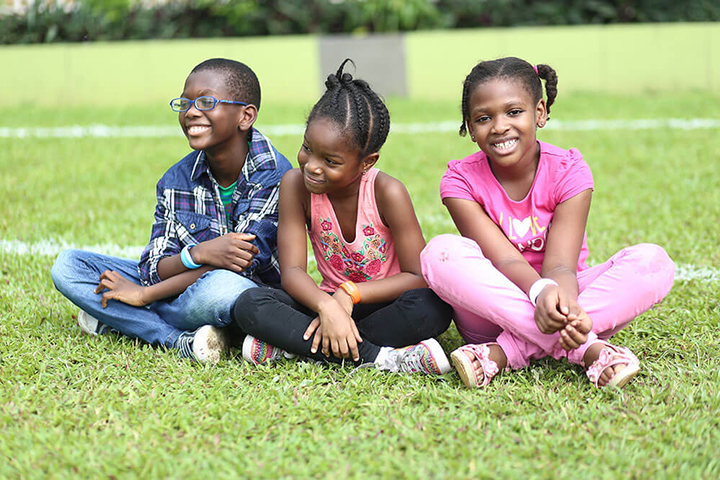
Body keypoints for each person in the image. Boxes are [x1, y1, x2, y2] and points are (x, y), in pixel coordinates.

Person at [421, 57, 674, 388]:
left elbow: (561, 266)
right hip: (491, 310)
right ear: (469, 126)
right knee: (439, 252)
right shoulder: (459, 180)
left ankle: (504, 353)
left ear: (539, 112)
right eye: (484, 118)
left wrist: (560, 303)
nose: (499, 126)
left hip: (567, 301)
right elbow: (504, 257)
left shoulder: (570, 170)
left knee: (655, 263)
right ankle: (588, 349)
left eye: (514, 112)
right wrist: (540, 292)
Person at [51, 58, 292, 364]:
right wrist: (200, 253)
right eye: (185, 103)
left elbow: (240, 268)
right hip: (178, 287)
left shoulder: (273, 173)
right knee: (69, 266)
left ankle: (128, 319)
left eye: (206, 102)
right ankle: (180, 341)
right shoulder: (175, 180)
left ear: (245, 116)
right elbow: (153, 267)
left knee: (223, 288)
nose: (191, 112)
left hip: (244, 294)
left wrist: (145, 296)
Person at [233, 60, 453, 375]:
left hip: (380, 304)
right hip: (324, 304)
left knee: (432, 307)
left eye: (331, 160)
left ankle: (295, 346)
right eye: (307, 148)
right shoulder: (296, 185)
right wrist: (327, 308)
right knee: (250, 303)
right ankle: (384, 359)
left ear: (367, 162)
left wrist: (350, 295)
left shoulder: (387, 192)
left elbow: (417, 276)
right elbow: (293, 271)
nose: (311, 165)